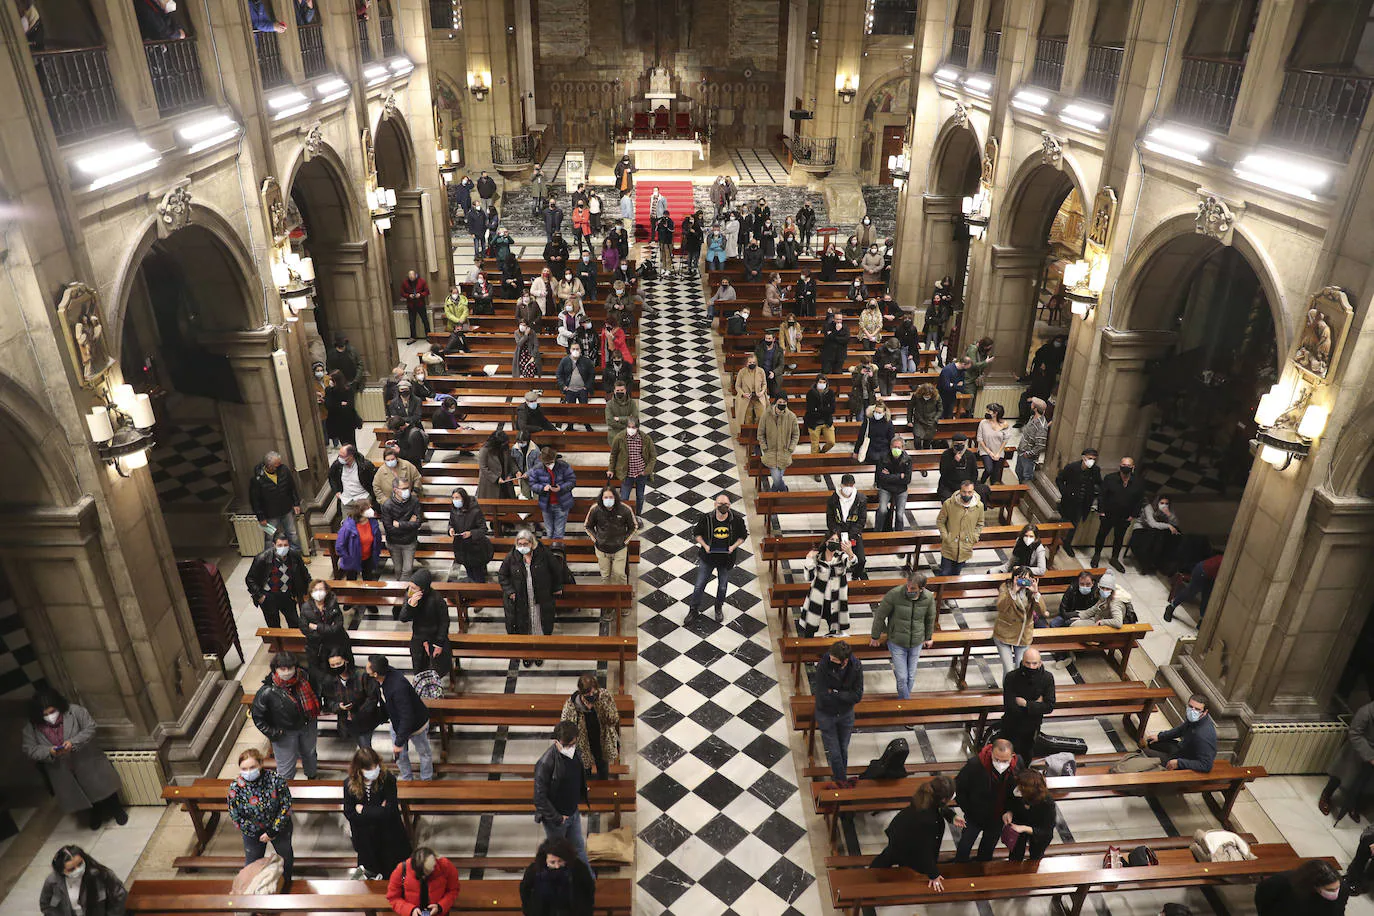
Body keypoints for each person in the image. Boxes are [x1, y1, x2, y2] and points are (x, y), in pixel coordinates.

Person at [22, 690, 127, 830]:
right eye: (45, 714)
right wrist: (49, 751)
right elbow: (30, 749)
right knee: (84, 791)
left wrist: (74, 742)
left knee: (103, 786)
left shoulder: (75, 712)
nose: (49, 717)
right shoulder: (32, 727)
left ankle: (117, 809)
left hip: (86, 759)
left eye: (52, 712)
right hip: (62, 767)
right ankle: (96, 812)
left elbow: (90, 728)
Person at [868, 775, 963, 887]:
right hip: (908, 842)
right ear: (943, 799)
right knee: (896, 856)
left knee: (889, 854)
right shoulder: (930, 821)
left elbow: (938, 807)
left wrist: (951, 816)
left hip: (901, 830)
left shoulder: (925, 795)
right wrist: (934, 874)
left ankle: (870, 874)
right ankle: (869, 880)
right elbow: (925, 850)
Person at [227, 747, 294, 886]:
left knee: (285, 857)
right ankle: (254, 889)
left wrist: (272, 831)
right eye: (244, 769)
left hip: (278, 829)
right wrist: (256, 831)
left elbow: (286, 805)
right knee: (252, 863)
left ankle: (286, 882)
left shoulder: (275, 780)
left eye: (252, 767)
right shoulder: (235, 787)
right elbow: (235, 815)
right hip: (253, 834)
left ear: (261, 764)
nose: (248, 772)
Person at [343, 747, 411, 880]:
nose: (373, 772)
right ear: (359, 769)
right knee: (371, 873)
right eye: (369, 769)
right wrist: (378, 810)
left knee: (392, 872)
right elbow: (349, 812)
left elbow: (389, 811)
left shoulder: (388, 780)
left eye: (375, 767)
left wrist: (363, 810)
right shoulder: (349, 784)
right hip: (365, 837)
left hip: (388, 835)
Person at [251, 650, 321, 779]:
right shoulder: (267, 691)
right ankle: (285, 789)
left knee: (310, 754)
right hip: (285, 732)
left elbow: (317, 694)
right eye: (282, 669)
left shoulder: (306, 678)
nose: (287, 672)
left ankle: (312, 778)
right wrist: (274, 733)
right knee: (286, 766)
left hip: (308, 725)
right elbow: (258, 717)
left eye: (290, 668)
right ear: (275, 669)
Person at [871, 571, 937, 701]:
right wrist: (875, 636)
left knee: (910, 676)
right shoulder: (895, 594)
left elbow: (930, 618)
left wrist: (928, 637)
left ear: (921, 589)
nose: (908, 589)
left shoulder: (928, 598)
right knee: (902, 677)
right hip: (897, 641)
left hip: (916, 642)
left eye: (912, 588)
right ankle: (906, 705)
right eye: (907, 586)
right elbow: (880, 615)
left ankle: (903, 703)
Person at [366, 654, 433, 781]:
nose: (366, 669)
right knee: (401, 757)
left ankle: (426, 780)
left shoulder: (398, 688)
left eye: (368, 667)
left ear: (375, 674)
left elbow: (407, 717)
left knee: (424, 753)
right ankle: (407, 779)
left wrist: (399, 742)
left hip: (416, 725)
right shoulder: (383, 674)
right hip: (397, 722)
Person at [534, 721, 592, 867]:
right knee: (559, 856)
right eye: (566, 745)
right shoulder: (545, 763)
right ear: (556, 741)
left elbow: (577, 774)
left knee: (579, 850)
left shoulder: (575, 751)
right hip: (557, 820)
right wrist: (558, 818)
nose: (570, 748)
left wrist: (581, 791)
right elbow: (540, 798)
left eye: (572, 744)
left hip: (573, 812)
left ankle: (588, 884)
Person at [954, 737, 1021, 861]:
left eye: (1005, 760)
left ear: (1012, 756)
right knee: (965, 845)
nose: (1001, 764)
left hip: (998, 817)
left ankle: (982, 869)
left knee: (988, 848)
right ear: (991, 753)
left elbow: (1017, 792)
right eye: (996, 759)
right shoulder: (975, 765)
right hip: (975, 816)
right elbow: (959, 788)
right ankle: (959, 866)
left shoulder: (1018, 765)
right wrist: (968, 810)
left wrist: (1010, 810)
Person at [499, 529, 567, 645]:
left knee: (539, 621)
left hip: (540, 596)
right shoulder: (512, 557)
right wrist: (510, 591)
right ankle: (527, 650)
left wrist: (557, 587)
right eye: (520, 544)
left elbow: (556, 570)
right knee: (524, 623)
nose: (523, 547)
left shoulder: (544, 554)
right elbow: (502, 575)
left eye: (526, 544)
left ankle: (539, 647)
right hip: (521, 597)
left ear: (532, 543)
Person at [688, 494, 748, 623]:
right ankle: (693, 609)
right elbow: (696, 533)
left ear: (729, 506)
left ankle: (718, 608)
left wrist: (733, 547)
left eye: (726, 504)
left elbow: (743, 536)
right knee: (699, 585)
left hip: (726, 559)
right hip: (708, 558)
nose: (723, 506)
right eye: (720, 504)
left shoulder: (737, 520)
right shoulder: (706, 518)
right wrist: (705, 546)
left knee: (722, 587)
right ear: (715, 505)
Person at [815, 640, 864, 789]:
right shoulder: (824, 665)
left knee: (843, 749)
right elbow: (822, 695)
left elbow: (857, 696)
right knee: (835, 753)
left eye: (835, 660)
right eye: (831, 657)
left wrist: (835, 693)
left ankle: (840, 781)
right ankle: (842, 782)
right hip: (826, 714)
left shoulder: (856, 667)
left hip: (845, 714)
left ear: (845, 661)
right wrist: (843, 696)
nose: (832, 660)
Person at [559, 673, 621, 782]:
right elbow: (565, 730)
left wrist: (604, 708)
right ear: (581, 693)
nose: (592, 695)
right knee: (584, 771)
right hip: (583, 746)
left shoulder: (604, 696)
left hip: (602, 741)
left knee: (603, 767)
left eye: (594, 692)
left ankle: (603, 786)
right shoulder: (571, 706)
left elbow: (614, 719)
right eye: (588, 694)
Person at [1001, 648, 1055, 764]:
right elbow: (1010, 707)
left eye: (1034, 663)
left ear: (1040, 663)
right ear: (1022, 662)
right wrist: (1036, 705)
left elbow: (1049, 706)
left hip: (1031, 728)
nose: (1031, 667)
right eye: (1028, 663)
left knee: (1026, 758)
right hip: (1011, 726)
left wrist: (1026, 704)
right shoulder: (1011, 677)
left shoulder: (1047, 678)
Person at [40, 845, 128, 916]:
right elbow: (46, 905)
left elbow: (120, 896)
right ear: (62, 871)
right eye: (71, 869)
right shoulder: (52, 882)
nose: (78, 869)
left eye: (80, 864)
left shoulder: (101, 875)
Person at [246, 530, 309, 628]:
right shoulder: (262, 558)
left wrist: (308, 590)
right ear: (273, 545)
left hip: (287, 595)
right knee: (274, 626)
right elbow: (250, 579)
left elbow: (304, 573)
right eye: (280, 545)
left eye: (285, 545)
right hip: (269, 596)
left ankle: (295, 643)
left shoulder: (294, 556)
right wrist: (260, 596)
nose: (283, 548)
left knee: (295, 623)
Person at [520, 837, 596, 916]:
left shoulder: (578, 867)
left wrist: (586, 911)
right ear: (545, 860)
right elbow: (524, 889)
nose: (557, 866)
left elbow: (589, 889)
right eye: (552, 862)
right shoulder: (535, 869)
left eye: (560, 861)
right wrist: (529, 911)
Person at [1093, 457, 1145, 571]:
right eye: (1124, 465)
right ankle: (1096, 555)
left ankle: (1114, 558)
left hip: (1124, 516)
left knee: (1119, 538)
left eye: (1128, 466)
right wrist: (1101, 511)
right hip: (1108, 514)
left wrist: (1133, 515)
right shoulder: (1110, 478)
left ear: (1133, 468)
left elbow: (1139, 500)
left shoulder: (1138, 482)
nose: (1125, 468)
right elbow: (1102, 496)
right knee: (1101, 535)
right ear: (1120, 466)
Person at [1144, 692, 1217, 772]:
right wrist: (1160, 736)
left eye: (1197, 709)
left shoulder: (1203, 735)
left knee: (1146, 753)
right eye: (1190, 706)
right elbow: (1180, 730)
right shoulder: (1196, 719)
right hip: (1181, 749)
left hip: (1187, 760)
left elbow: (1206, 765)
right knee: (1151, 742)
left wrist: (1179, 763)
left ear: (1205, 712)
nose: (1192, 711)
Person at [801, 535, 857, 637]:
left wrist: (850, 553)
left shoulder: (841, 556)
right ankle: (807, 649)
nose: (834, 542)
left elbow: (852, 565)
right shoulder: (818, 557)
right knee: (810, 628)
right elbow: (808, 577)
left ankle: (832, 650)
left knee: (834, 630)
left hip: (835, 599)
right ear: (826, 542)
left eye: (836, 540)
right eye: (832, 540)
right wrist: (809, 559)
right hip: (817, 598)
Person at [402, 569, 452, 679]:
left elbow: (444, 622)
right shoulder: (411, 596)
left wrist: (439, 643)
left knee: (436, 670)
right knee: (419, 669)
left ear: (423, 589)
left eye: (414, 588)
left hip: (434, 638)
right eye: (409, 586)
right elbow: (403, 618)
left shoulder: (436, 599)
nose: (410, 590)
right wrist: (410, 606)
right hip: (418, 638)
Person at [993, 568, 1043, 675]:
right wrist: (1013, 592)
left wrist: (1036, 593)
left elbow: (1042, 611)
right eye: (1021, 579)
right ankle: (1007, 691)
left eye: (1026, 579)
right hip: (1004, 635)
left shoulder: (1031, 591)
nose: (1023, 582)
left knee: (1021, 670)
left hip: (1023, 637)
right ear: (1014, 578)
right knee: (1009, 671)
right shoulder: (1005, 588)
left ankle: (1018, 691)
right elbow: (1001, 607)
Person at [322, 653, 377, 749]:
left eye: (338, 664)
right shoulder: (329, 680)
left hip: (364, 720)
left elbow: (373, 697)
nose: (336, 667)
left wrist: (360, 711)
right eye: (333, 665)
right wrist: (338, 706)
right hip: (345, 722)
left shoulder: (362, 675)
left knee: (366, 750)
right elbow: (328, 701)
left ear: (346, 661)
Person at [585, 485, 636, 591]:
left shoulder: (625, 509)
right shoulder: (595, 509)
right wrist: (596, 540)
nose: (608, 500)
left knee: (619, 574)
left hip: (619, 548)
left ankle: (622, 597)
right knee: (605, 576)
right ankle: (608, 600)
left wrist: (624, 542)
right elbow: (588, 526)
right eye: (606, 497)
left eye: (611, 497)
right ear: (601, 498)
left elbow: (633, 527)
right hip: (601, 548)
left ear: (615, 497)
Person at [250, 451, 302, 551]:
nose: (279, 467)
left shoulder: (284, 470)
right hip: (270, 514)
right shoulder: (257, 479)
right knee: (270, 538)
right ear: (269, 466)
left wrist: (296, 503)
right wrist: (261, 517)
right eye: (276, 466)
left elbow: (292, 487)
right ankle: (270, 558)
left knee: (292, 533)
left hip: (286, 509)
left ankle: (296, 555)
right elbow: (255, 500)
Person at [1256, 859, 1347, 916]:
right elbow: (1263, 900)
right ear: (1314, 886)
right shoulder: (1280, 883)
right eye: (1330, 890)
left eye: (1337, 887)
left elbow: (1338, 911)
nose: (1335, 892)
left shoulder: (1342, 889)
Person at [386, 847, 461, 916]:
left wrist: (440, 907)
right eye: (423, 874)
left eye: (431, 870)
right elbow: (393, 897)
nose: (425, 877)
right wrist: (410, 910)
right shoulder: (402, 870)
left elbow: (453, 890)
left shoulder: (445, 866)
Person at [1056, 448, 1102, 557]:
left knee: (1074, 524)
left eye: (1094, 459)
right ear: (1083, 457)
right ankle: (1056, 542)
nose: (1092, 461)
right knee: (1063, 522)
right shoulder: (1072, 467)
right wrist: (1065, 492)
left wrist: (1094, 493)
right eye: (1090, 458)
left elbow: (1099, 483)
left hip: (1082, 503)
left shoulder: (1095, 470)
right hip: (1069, 501)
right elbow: (1059, 479)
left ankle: (1067, 543)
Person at [299, 579, 350, 677]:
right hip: (317, 645)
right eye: (315, 590)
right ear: (311, 592)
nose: (318, 592)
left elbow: (338, 626)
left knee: (341, 666)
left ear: (326, 591)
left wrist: (318, 627)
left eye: (321, 589)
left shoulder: (333, 604)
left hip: (337, 642)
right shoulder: (305, 608)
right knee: (322, 670)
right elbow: (304, 628)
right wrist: (328, 630)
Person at [1005, 770, 1057, 861]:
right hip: (1019, 822)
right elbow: (1010, 802)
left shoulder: (1047, 803)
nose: (1017, 789)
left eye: (1021, 788)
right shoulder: (1016, 790)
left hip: (1039, 830)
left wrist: (1024, 828)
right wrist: (1009, 812)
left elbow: (1046, 831)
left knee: (1036, 856)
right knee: (1015, 854)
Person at [379, 479, 424, 586]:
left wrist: (400, 524)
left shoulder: (414, 501)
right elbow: (389, 528)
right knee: (398, 570)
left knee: (407, 570)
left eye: (407, 488)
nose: (407, 490)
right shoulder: (387, 505)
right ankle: (401, 589)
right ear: (395, 490)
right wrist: (409, 524)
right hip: (393, 542)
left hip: (409, 541)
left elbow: (418, 523)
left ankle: (404, 592)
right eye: (403, 488)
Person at [527, 446, 575, 544]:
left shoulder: (564, 466)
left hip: (562, 504)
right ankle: (550, 553)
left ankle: (557, 553)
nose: (549, 465)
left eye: (550, 462)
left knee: (559, 533)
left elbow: (572, 481)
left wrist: (560, 488)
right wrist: (542, 488)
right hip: (546, 504)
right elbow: (532, 484)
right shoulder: (537, 469)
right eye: (547, 463)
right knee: (549, 532)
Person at [608, 418, 655, 518]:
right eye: (629, 427)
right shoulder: (619, 438)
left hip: (641, 473)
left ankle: (638, 516)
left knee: (640, 497)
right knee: (624, 497)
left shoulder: (645, 438)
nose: (631, 429)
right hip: (627, 474)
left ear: (637, 428)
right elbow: (613, 455)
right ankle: (624, 517)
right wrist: (611, 469)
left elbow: (653, 456)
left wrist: (646, 471)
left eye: (633, 427)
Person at [936, 480, 984, 576]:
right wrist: (946, 536)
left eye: (969, 492)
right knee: (944, 573)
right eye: (964, 492)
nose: (967, 494)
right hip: (950, 546)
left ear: (973, 491)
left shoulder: (979, 506)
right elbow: (940, 521)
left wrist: (974, 537)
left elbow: (980, 523)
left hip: (966, 546)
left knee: (956, 574)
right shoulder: (949, 504)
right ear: (960, 491)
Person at [826, 474, 868, 579]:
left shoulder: (861, 499)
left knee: (861, 560)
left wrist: (851, 536)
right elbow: (830, 519)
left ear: (853, 485)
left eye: (850, 485)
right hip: (837, 533)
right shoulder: (833, 499)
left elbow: (861, 520)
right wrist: (837, 533)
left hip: (853, 534)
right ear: (841, 485)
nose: (848, 488)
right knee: (833, 558)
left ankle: (855, 576)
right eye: (846, 485)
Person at [446, 487, 491, 583]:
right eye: (453, 498)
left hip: (475, 548)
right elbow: (451, 523)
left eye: (457, 498)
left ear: (464, 498)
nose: (455, 500)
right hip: (461, 548)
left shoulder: (475, 510)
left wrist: (471, 533)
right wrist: (450, 529)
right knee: (469, 574)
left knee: (478, 576)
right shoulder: (454, 510)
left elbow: (483, 529)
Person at [1164, 552, 1224, 623]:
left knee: (1206, 598)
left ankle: (1201, 620)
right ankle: (1171, 606)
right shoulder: (1225, 563)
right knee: (1190, 592)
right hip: (1202, 571)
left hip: (1210, 576)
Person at [759, 393, 800, 492]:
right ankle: (784, 491)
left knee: (777, 479)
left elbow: (795, 434)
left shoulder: (791, 417)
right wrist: (765, 447)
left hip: (784, 452)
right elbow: (760, 433)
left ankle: (772, 495)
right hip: (771, 452)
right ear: (775, 402)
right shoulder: (766, 415)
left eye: (784, 402)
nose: (782, 404)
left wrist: (791, 448)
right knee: (777, 478)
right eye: (780, 402)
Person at [1132, 494, 1182, 574]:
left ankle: (1166, 564)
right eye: (1162, 503)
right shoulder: (1148, 507)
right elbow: (1152, 524)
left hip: (1157, 532)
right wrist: (1168, 525)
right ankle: (1146, 564)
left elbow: (1176, 524)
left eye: (1166, 503)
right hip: (1142, 530)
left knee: (1175, 535)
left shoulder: (1168, 510)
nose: (1164, 505)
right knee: (1154, 536)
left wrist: (1169, 515)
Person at [875, 435, 913, 531]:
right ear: (890, 447)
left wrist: (890, 476)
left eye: (899, 447)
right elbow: (881, 477)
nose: (896, 449)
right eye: (894, 447)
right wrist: (899, 476)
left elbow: (907, 479)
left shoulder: (907, 460)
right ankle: (877, 532)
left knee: (900, 515)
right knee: (882, 510)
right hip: (885, 488)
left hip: (901, 490)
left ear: (903, 448)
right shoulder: (883, 457)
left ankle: (898, 535)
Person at [330, 443, 376, 514]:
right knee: (347, 524)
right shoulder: (337, 465)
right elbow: (331, 477)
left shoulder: (365, 466)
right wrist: (336, 491)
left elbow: (374, 482)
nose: (339, 458)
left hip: (363, 499)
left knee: (364, 523)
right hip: (346, 500)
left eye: (342, 456)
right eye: (339, 455)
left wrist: (372, 499)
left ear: (351, 456)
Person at [805, 374, 837, 471]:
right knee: (814, 446)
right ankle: (816, 469)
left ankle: (821, 453)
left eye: (824, 382)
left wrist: (819, 410)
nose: (822, 384)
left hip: (827, 422)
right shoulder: (810, 393)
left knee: (831, 442)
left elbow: (833, 409)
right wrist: (824, 410)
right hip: (813, 423)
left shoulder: (830, 393)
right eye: (820, 382)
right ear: (816, 383)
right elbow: (810, 410)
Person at [324, 369, 362, 451]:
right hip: (337, 422)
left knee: (352, 443)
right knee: (344, 443)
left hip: (348, 421)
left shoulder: (348, 389)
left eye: (331, 380)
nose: (330, 382)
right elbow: (328, 405)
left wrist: (337, 405)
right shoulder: (329, 390)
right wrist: (340, 404)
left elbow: (350, 405)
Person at [1017, 397, 1050, 483]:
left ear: (1035, 408)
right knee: (1018, 471)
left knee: (1026, 476)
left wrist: (1028, 454)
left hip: (1028, 456)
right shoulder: (1032, 417)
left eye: (1032, 404)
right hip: (1021, 450)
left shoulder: (1041, 426)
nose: (1030, 405)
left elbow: (1040, 446)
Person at [977, 403, 1011, 484]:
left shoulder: (1004, 425)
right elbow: (979, 438)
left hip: (998, 451)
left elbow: (1005, 440)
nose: (987, 413)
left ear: (995, 413)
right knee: (989, 469)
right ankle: (982, 482)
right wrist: (989, 452)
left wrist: (998, 453)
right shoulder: (983, 423)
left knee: (995, 474)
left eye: (989, 411)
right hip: (985, 450)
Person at [732, 353, 768, 426]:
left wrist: (762, 392)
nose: (752, 364)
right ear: (747, 363)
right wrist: (743, 394)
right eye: (750, 362)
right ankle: (748, 434)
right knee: (748, 418)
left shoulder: (761, 371)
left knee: (761, 416)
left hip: (758, 397)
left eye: (754, 362)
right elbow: (737, 386)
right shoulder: (742, 372)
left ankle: (758, 433)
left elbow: (764, 384)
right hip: (746, 398)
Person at [907, 382, 941, 453]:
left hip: (931, 421)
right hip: (919, 420)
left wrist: (935, 419)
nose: (927, 397)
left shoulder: (937, 397)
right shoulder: (916, 396)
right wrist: (909, 420)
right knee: (917, 439)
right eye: (925, 395)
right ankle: (918, 452)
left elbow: (940, 410)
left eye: (929, 395)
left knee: (927, 441)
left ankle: (925, 453)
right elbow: (910, 407)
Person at [858, 401, 894, 466]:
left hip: (883, 449)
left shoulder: (888, 423)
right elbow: (861, 436)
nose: (877, 414)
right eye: (876, 412)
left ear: (884, 413)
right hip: (870, 448)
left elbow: (891, 438)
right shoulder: (868, 421)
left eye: (879, 413)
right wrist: (856, 451)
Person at [400, 269, 431, 342]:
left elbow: (427, 291)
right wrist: (408, 295)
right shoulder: (405, 283)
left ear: (415, 275)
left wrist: (420, 295)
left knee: (425, 320)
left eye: (412, 276)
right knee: (412, 321)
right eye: (410, 276)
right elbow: (402, 293)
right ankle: (413, 337)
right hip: (411, 305)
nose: (411, 277)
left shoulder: (422, 281)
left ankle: (428, 335)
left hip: (420, 304)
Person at [604, 380, 638, 445]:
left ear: (625, 390)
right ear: (614, 391)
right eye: (618, 390)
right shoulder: (609, 404)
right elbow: (609, 421)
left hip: (629, 433)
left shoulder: (632, 403)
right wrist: (626, 424)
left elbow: (635, 419)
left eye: (622, 390)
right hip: (614, 434)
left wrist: (619, 419)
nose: (620, 392)